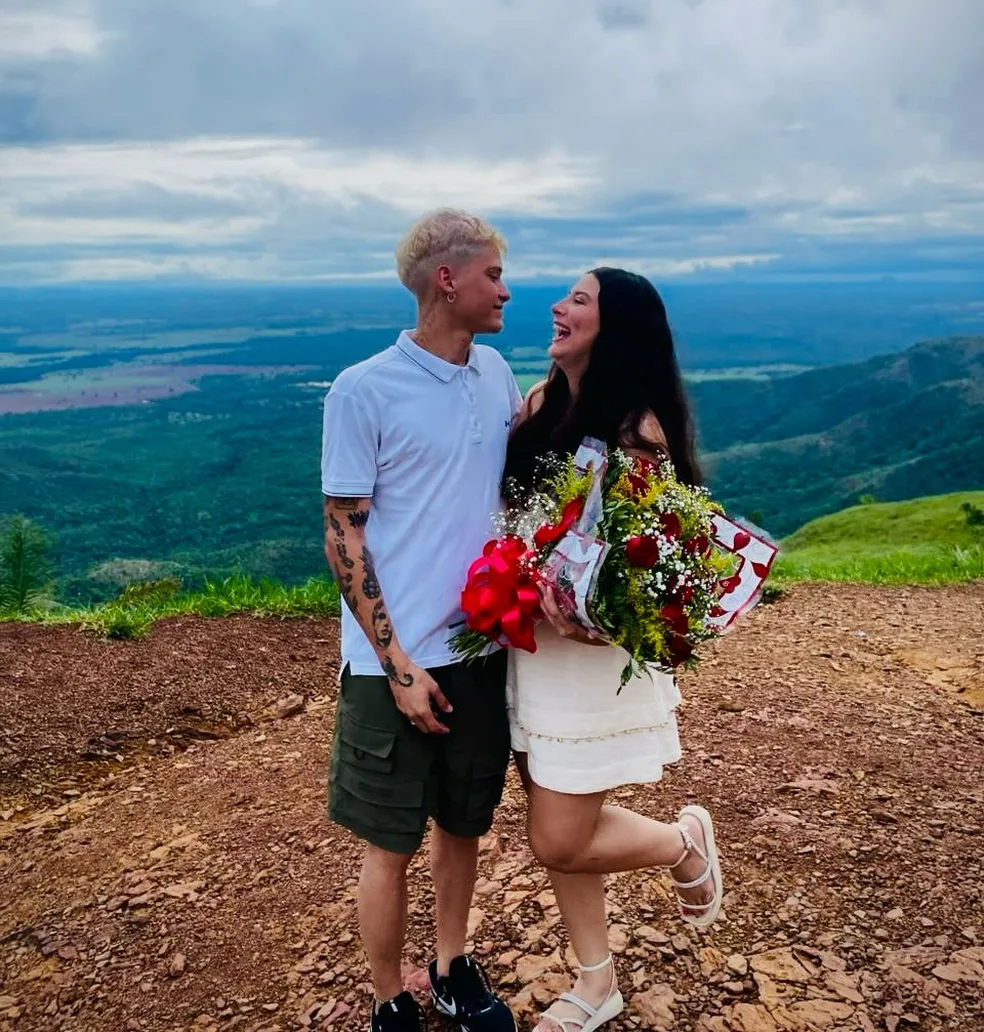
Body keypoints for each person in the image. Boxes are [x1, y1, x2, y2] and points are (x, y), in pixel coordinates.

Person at [502, 268, 723, 1032]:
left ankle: (682, 842)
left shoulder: (639, 430)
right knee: (558, 828)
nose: (558, 309)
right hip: (528, 649)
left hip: (590, 664)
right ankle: (596, 984)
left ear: (614, 327)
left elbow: (646, 560)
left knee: (557, 836)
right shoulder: (536, 406)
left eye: (579, 301)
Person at [321, 209, 521, 1032]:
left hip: (480, 649)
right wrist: (399, 664)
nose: (505, 290)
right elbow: (344, 533)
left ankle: (449, 967)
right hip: (388, 664)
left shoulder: (496, 371)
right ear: (449, 281)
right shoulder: (363, 388)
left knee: (465, 822)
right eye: (492, 276)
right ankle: (387, 998)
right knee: (389, 843)